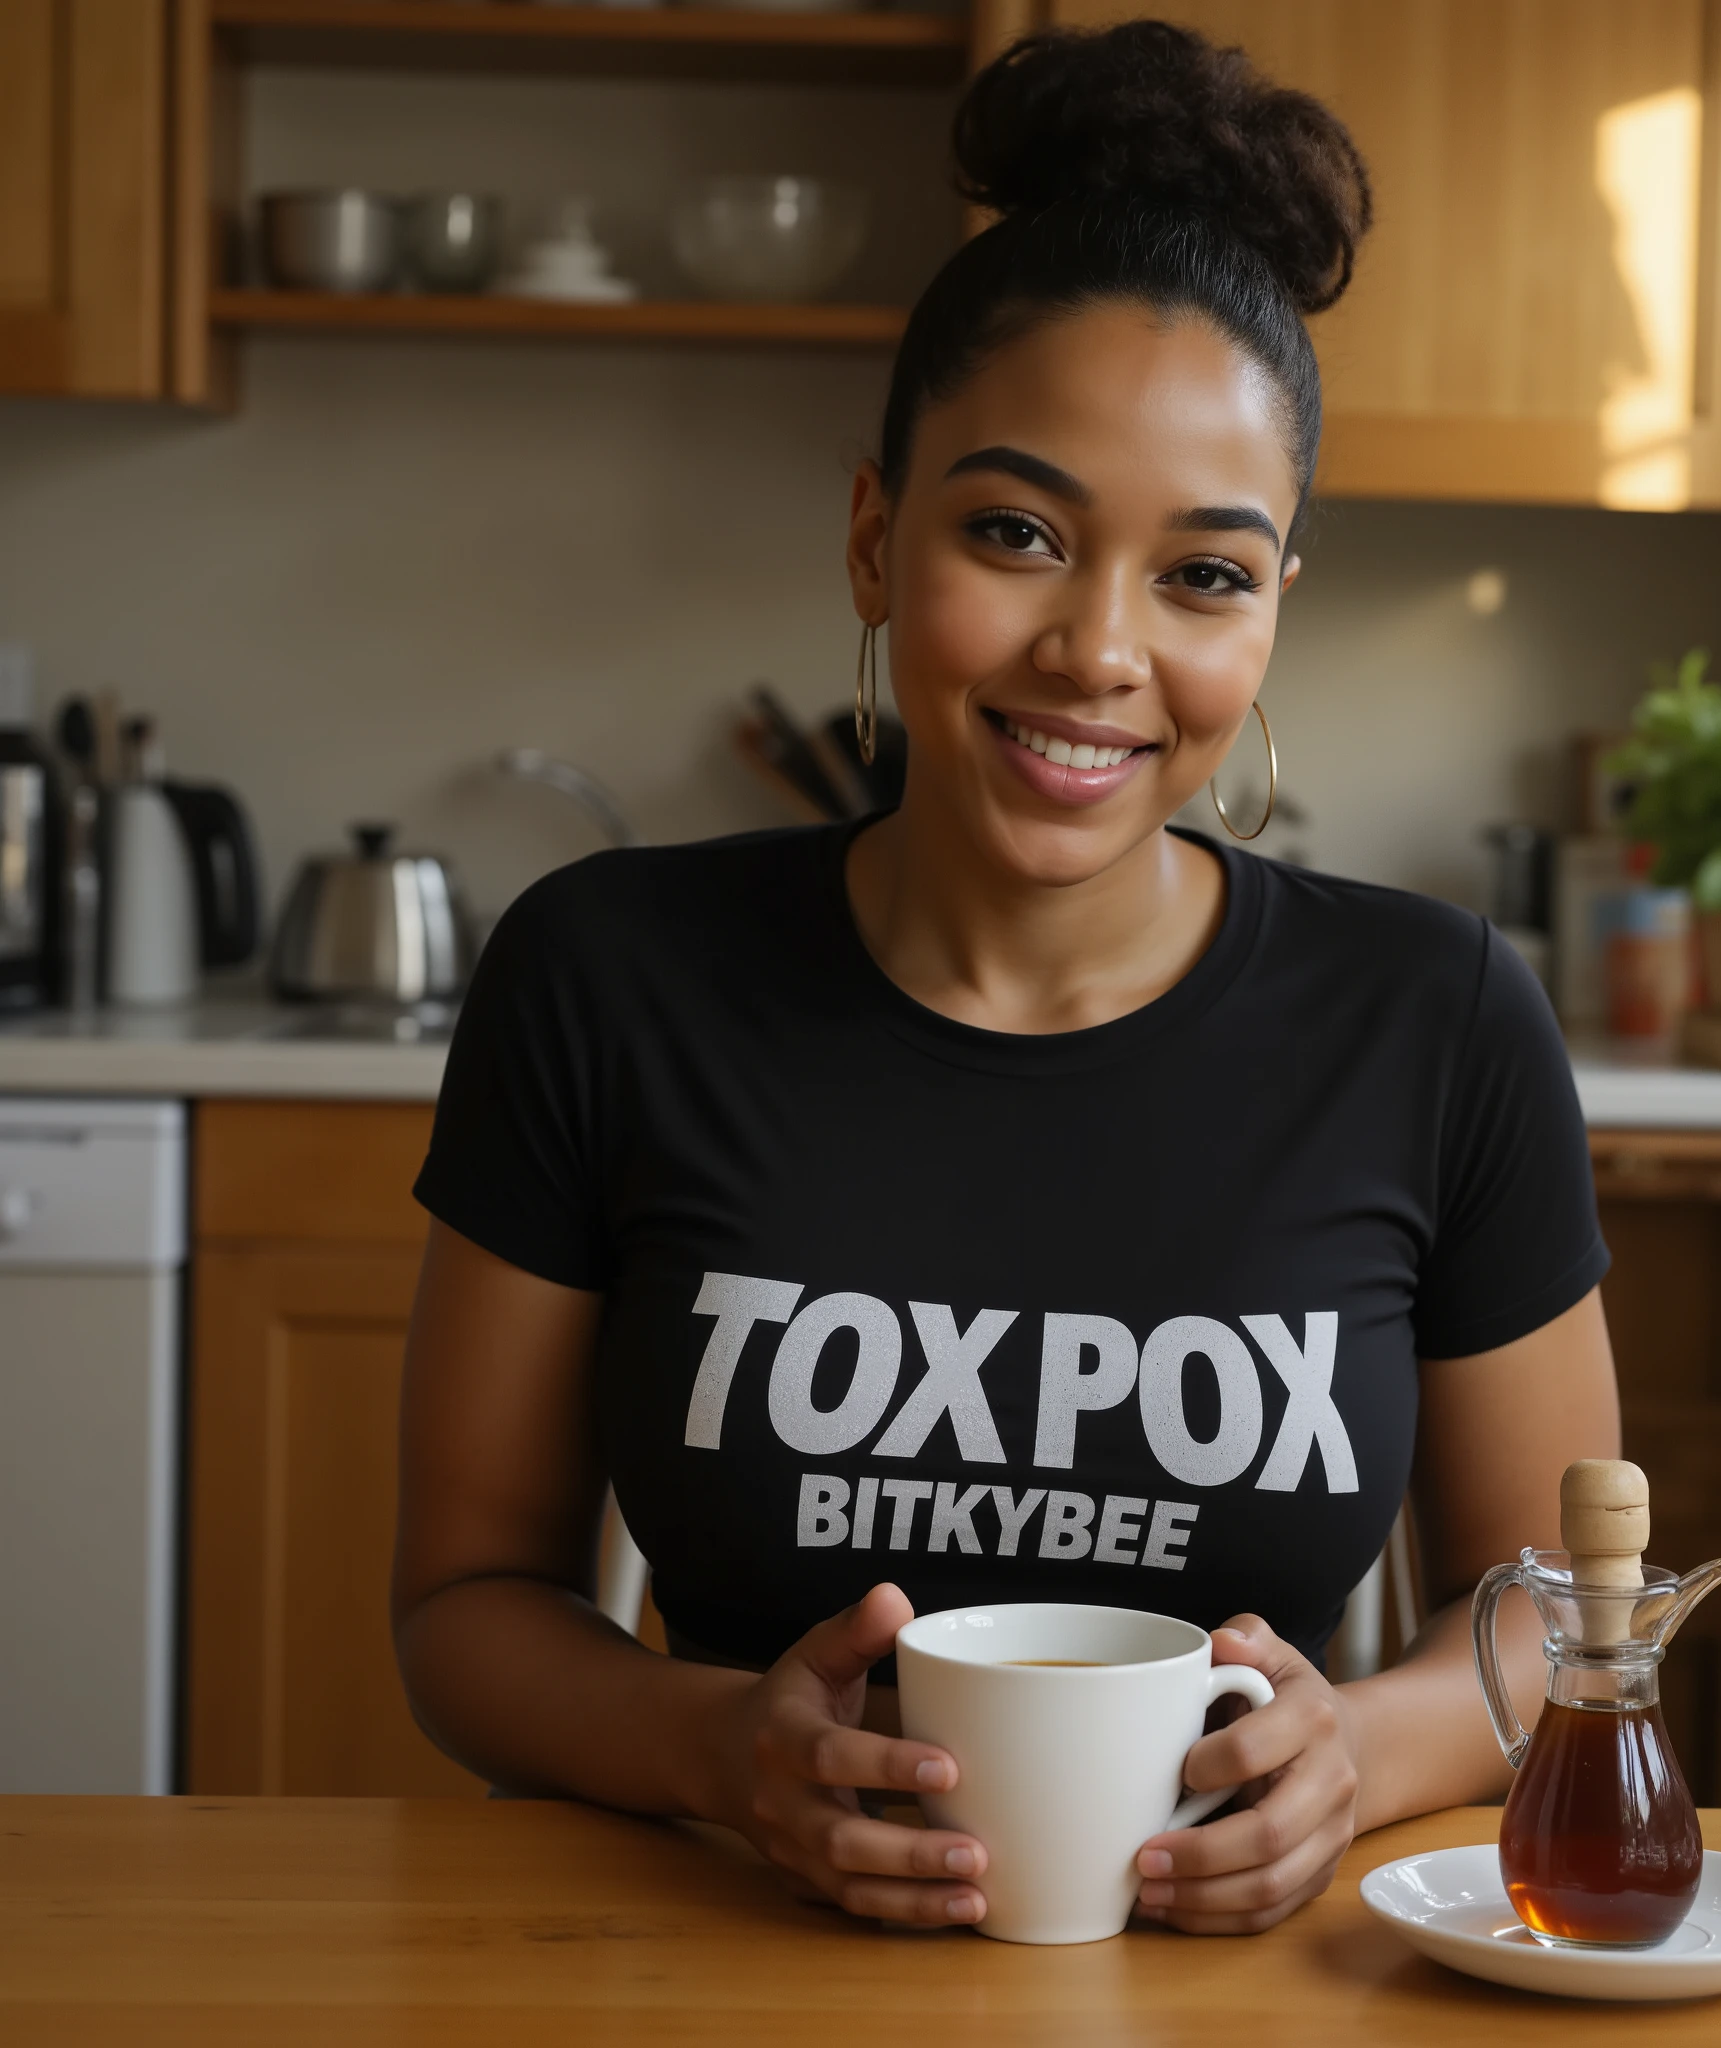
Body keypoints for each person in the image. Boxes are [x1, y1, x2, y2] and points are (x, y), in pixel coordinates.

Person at [394, 19, 1620, 1937]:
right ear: (879, 534)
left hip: (1228, 1981)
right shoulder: (607, 975)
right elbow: (469, 1609)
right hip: (717, 1953)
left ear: (1276, 602)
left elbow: (1556, 1609)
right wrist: (719, 1753)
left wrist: (1352, 1761)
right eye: (1018, 533)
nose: (1098, 649)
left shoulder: (1438, 1021)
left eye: (1204, 573)